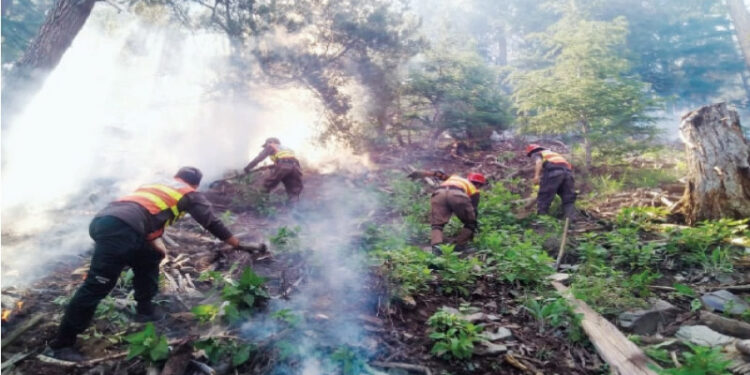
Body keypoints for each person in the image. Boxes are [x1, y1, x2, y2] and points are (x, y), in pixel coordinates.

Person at [49, 167, 245, 361]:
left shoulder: (157, 185)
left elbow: (144, 216)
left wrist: (155, 246)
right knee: (97, 285)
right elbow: (211, 222)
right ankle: (62, 344)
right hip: (121, 229)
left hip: (107, 220)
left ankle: (145, 310)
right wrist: (238, 244)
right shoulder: (190, 193)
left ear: (177, 176)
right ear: (196, 184)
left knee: (149, 257)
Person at [408, 170, 487, 251]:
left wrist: (422, 174)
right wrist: (472, 229)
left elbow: (439, 174)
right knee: (470, 223)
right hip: (458, 194)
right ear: (478, 184)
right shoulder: (474, 190)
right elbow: (474, 211)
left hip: (439, 193)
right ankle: (460, 246)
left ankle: (436, 247)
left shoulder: (455, 178)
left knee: (437, 224)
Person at [244, 137, 303, 201]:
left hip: (283, 166)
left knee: (267, 185)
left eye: (266, 144)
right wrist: (268, 166)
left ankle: (263, 203)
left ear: (272, 142)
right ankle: (294, 208)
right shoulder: (287, 149)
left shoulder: (271, 146)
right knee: (293, 190)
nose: (266, 146)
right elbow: (288, 161)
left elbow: (259, 158)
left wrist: (248, 168)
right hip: (296, 168)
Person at [525, 144, 576, 218]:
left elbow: (538, 162)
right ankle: (570, 221)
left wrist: (536, 176)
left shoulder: (537, 153)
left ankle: (542, 221)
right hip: (568, 174)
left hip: (554, 173)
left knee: (544, 197)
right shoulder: (553, 153)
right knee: (568, 199)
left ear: (531, 152)